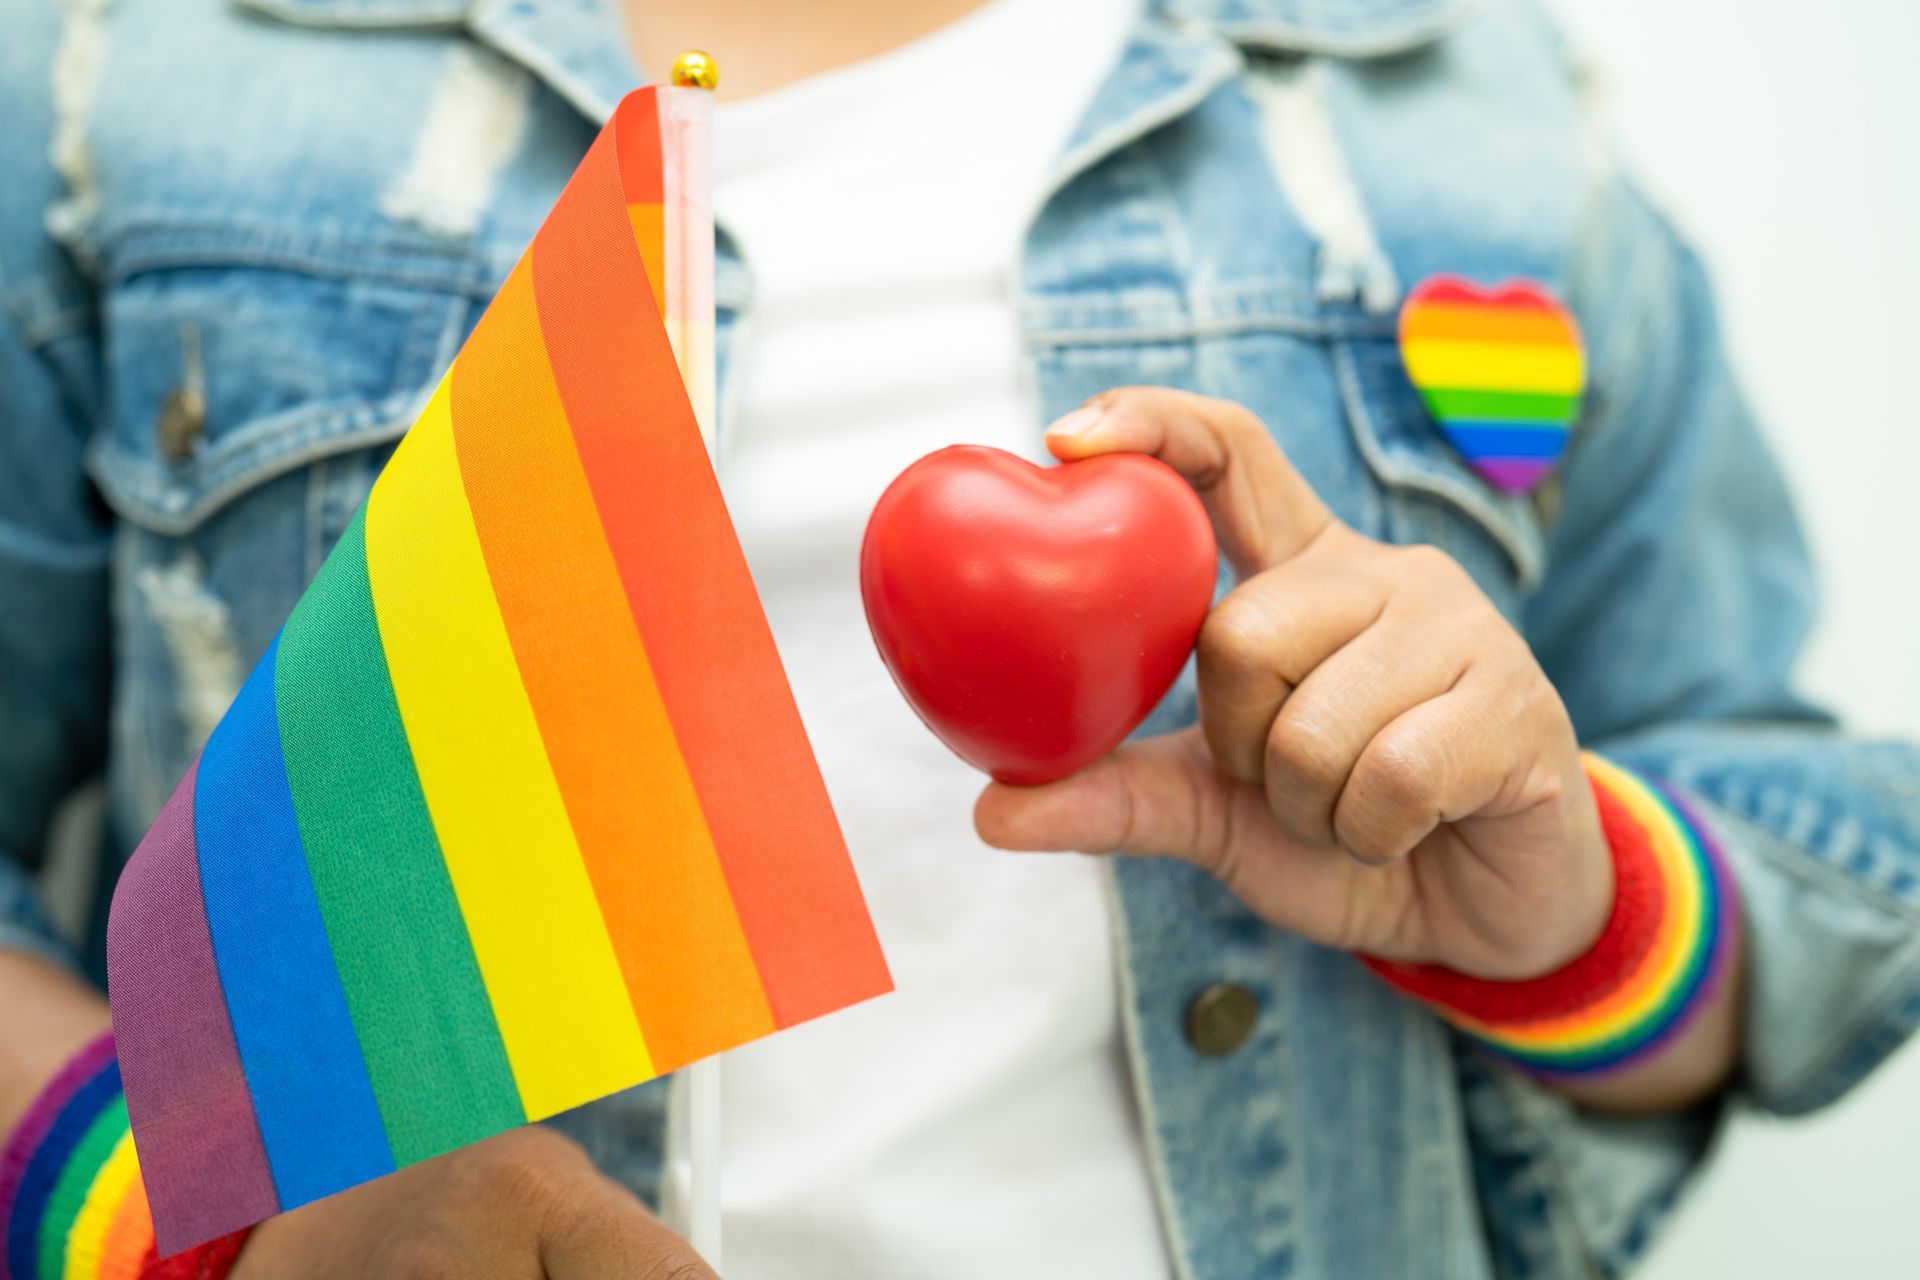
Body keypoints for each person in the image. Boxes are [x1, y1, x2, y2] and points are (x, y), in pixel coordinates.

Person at [1, 0, 1915, 1276]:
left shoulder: (1456, 118)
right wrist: (181, 1228)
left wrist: (1579, 920)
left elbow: (1810, 823)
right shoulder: (121, 90)